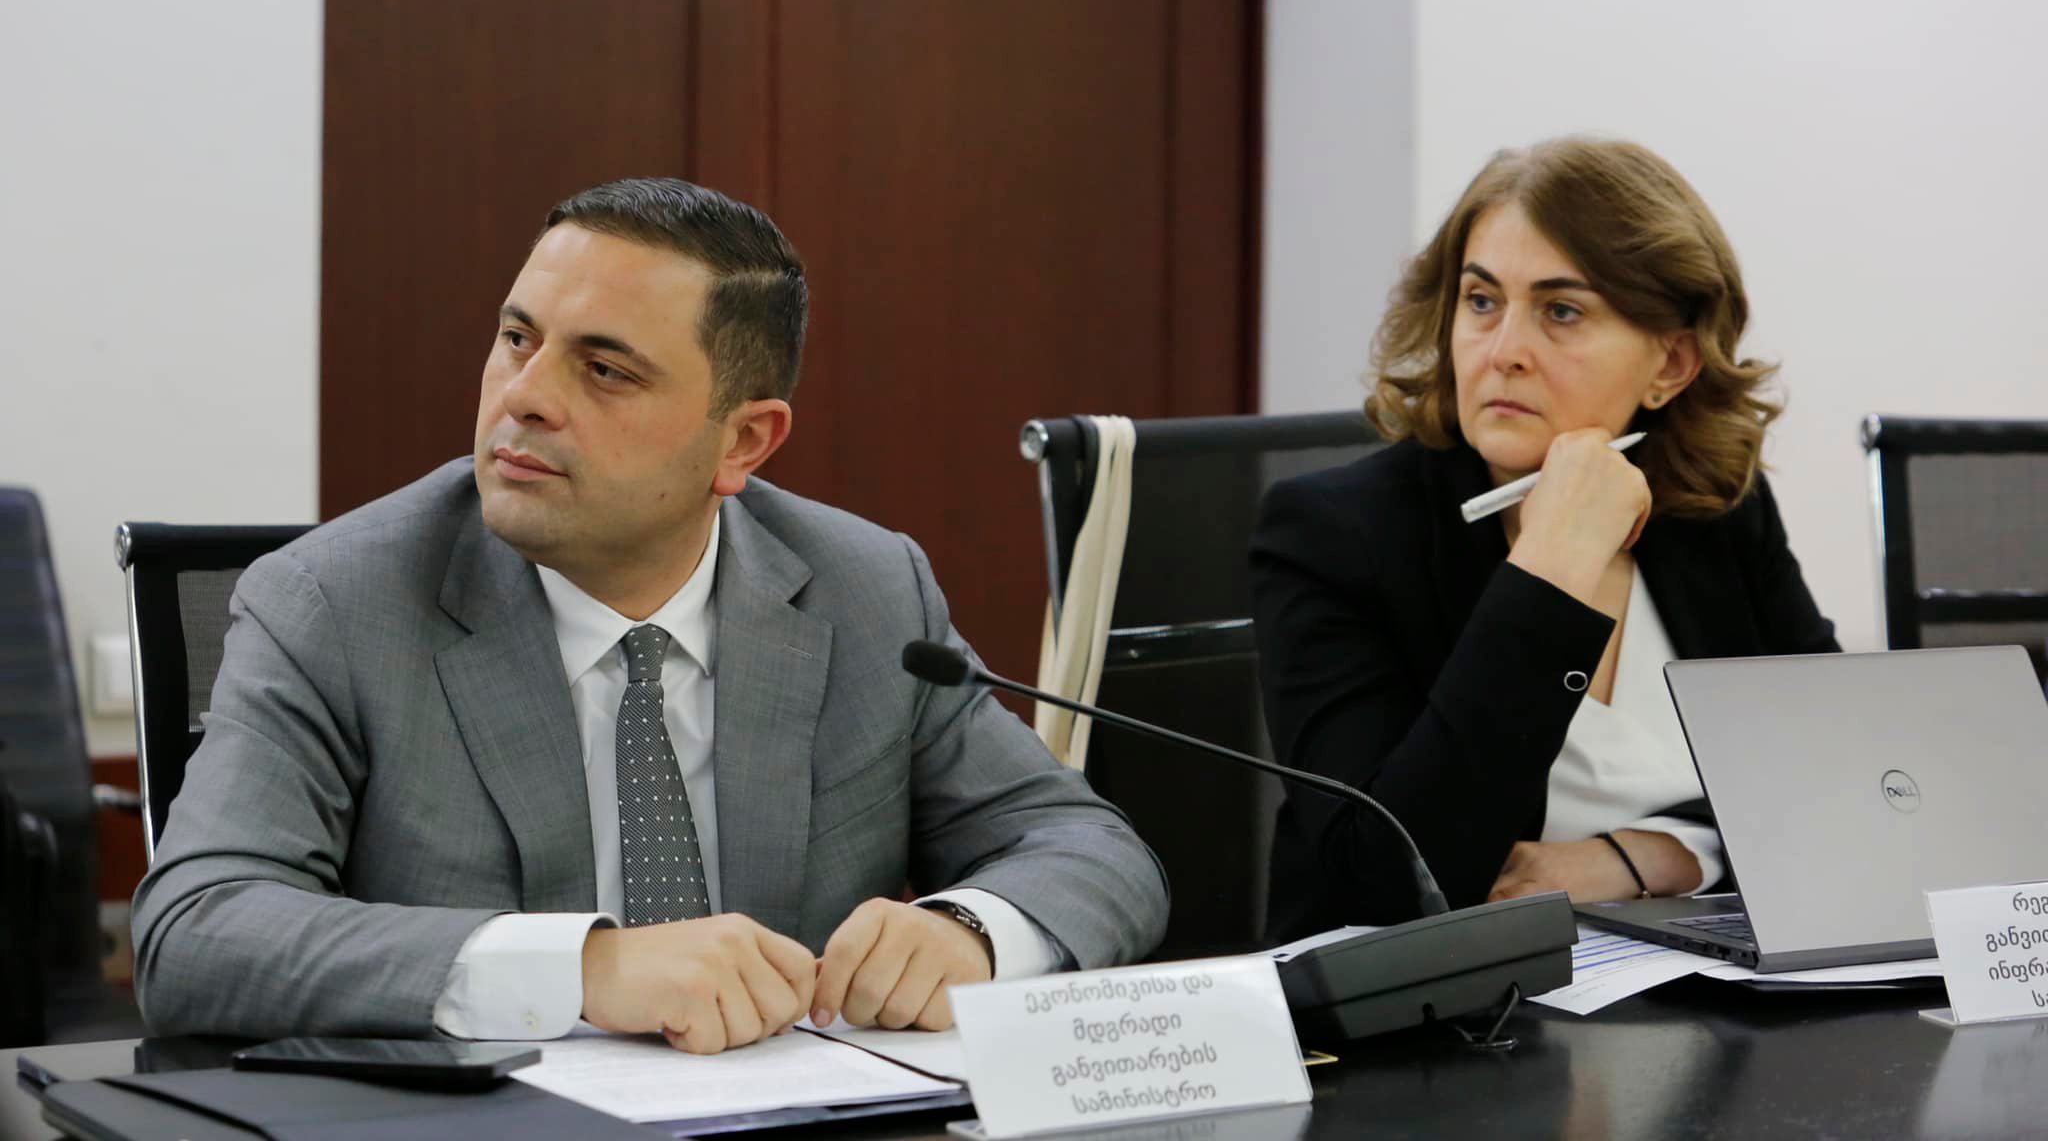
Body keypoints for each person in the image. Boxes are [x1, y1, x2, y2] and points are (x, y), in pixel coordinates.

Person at [132, 178, 1167, 1051]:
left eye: (604, 369)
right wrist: (583, 969)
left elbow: (1086, 848)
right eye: (516, 338)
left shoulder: (863, 588)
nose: (524, 396)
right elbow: (197, 929)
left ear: (743, 443)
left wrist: (968, 931)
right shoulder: (336, 601)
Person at [1251, 138, 1839, 939]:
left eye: (1561, 312)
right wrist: (1549, 569)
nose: (1503, 353)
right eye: (1481, 301)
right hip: (1451, 1000)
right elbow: (1388, 878)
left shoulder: (1715, 511)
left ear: (1670, 363)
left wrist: (1649, 857)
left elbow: (1833, 775)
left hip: (1693, 980)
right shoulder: (1335, 535)